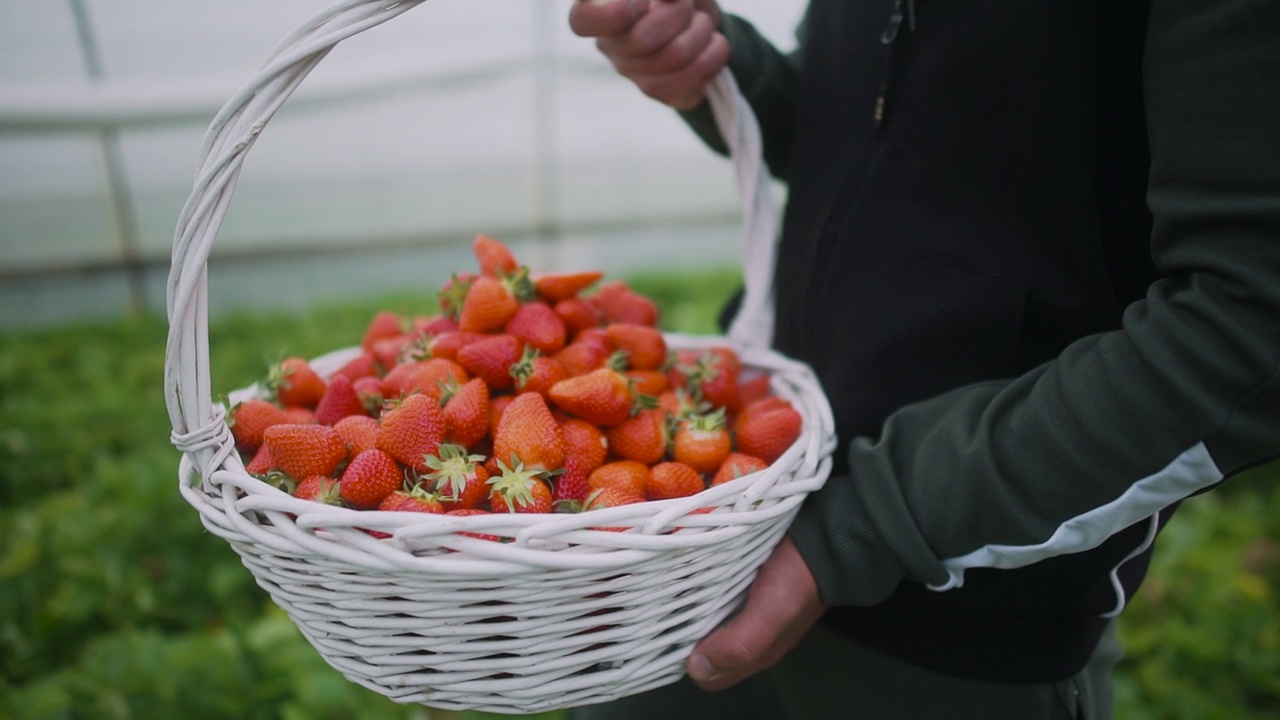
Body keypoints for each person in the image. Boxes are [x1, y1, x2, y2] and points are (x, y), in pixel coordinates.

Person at [565, 0, 1280, 718]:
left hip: (964, 621)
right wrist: (723, 66)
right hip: (709, 537)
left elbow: (1247, 324)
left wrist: (865, 531)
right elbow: (864, 133)